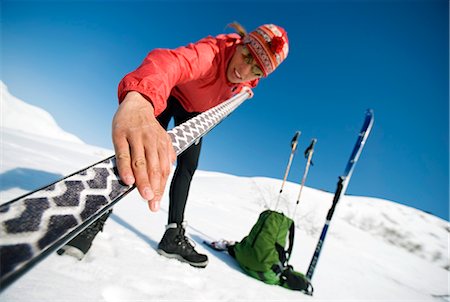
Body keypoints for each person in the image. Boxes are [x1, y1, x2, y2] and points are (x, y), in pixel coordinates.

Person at [58, 22, 289, 268]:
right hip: (169, 95)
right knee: (141, 150)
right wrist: (141, 97)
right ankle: (94, 217)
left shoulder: (247, 82)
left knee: (188, 166)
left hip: (195, 114)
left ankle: (173, 235)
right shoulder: (212, 54)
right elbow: (170, 62)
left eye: (255, 70)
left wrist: (244, 88)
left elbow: (247, 80)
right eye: (245, 56)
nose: (243, 71)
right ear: (241, 44)